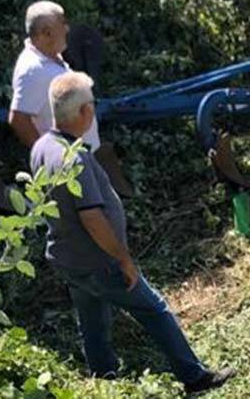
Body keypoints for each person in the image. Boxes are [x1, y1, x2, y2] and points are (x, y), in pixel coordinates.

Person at [32, 71, 235, 393]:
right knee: (154, 310)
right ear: (84, 111)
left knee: (92, 324)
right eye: (92, 104)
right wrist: (123, 259)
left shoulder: (42, 146)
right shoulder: (75, 158)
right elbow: (92, 218)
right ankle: (195, 378)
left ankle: (104, 380)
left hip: (69, 258)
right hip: (99, 261)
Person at [8, 1, 100, 151]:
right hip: (67, 161)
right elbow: (18, 119)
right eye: (63, 23)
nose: (67, 28)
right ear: (47, 33)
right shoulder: (33, 69)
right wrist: (47, 156)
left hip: (81, 155)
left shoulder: (51, 56)